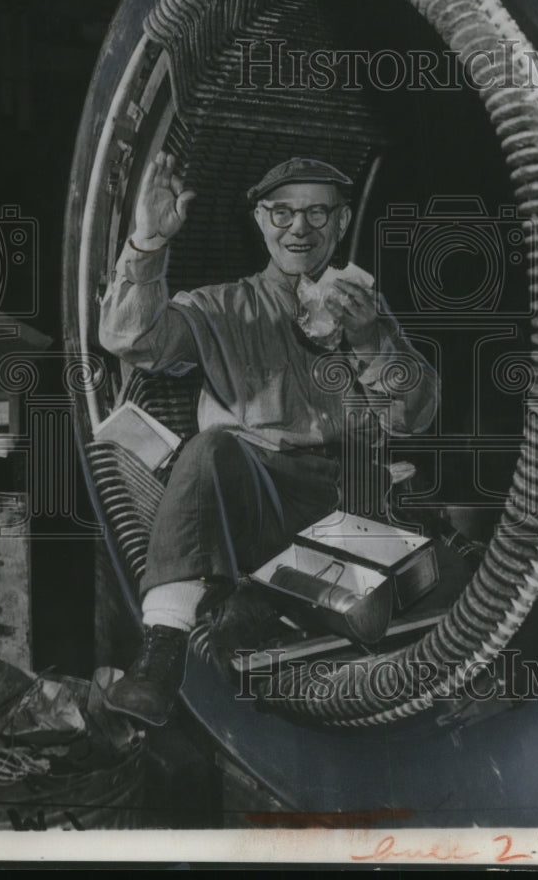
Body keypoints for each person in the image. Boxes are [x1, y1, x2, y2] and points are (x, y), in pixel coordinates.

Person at [98, 151, 439, 725]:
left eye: (317, 213)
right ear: (261, 220)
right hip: (257, 499)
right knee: (210, 449)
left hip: (349, 502)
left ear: (341, 221)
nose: (299, 228)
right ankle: (162, 653)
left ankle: (260, 600)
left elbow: (416, 416)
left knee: (393, 608)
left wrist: (372, 342)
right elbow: (129, 338)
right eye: (282, 212)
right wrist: (148, 242)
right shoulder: (219, 307)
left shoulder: (366, 310)